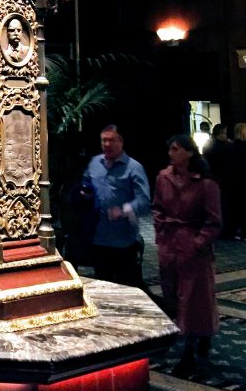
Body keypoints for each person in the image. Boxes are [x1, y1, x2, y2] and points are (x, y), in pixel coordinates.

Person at [153, 134, 222, 377]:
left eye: (176, 149)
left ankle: (190, 350)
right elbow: (158, 208)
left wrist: (198, 242)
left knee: (193, 301)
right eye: (170, 149)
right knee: (173, 297)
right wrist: (161, 233)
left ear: (189, 153)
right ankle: (196, 336)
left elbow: (214, 221)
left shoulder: (205, 183)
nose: (171, 153)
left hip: (193, 250)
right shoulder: (164, 177)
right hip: (169, 246)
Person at [81, 125, 150, 286]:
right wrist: (85, 194)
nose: (106, 144)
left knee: (125, 287)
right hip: (99, 237)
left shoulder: (134, 168)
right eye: (103, 140)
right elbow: (86, 183)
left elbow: (144, 201)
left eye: (111, 140)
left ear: (120, 141)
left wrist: (124, 210)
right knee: (103, 285)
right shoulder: (95, 163)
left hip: (123, 241)